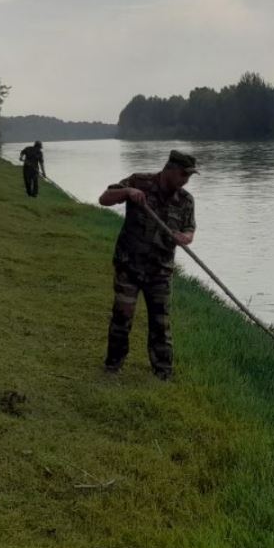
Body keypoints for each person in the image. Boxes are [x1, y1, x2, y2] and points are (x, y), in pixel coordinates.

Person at [97, 150, 197, 380]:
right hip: (129, 266)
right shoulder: (139, 182)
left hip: (160, 271)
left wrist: (184, 237)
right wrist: (127, 192)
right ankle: (113, 366)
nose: (185, 180)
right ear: (170, 169)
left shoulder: (185, 200)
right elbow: (104, 199)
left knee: (161, 323)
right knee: (122, 317)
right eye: (183, 174)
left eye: (189, 176)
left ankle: (163, 373)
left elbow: (190, 229)